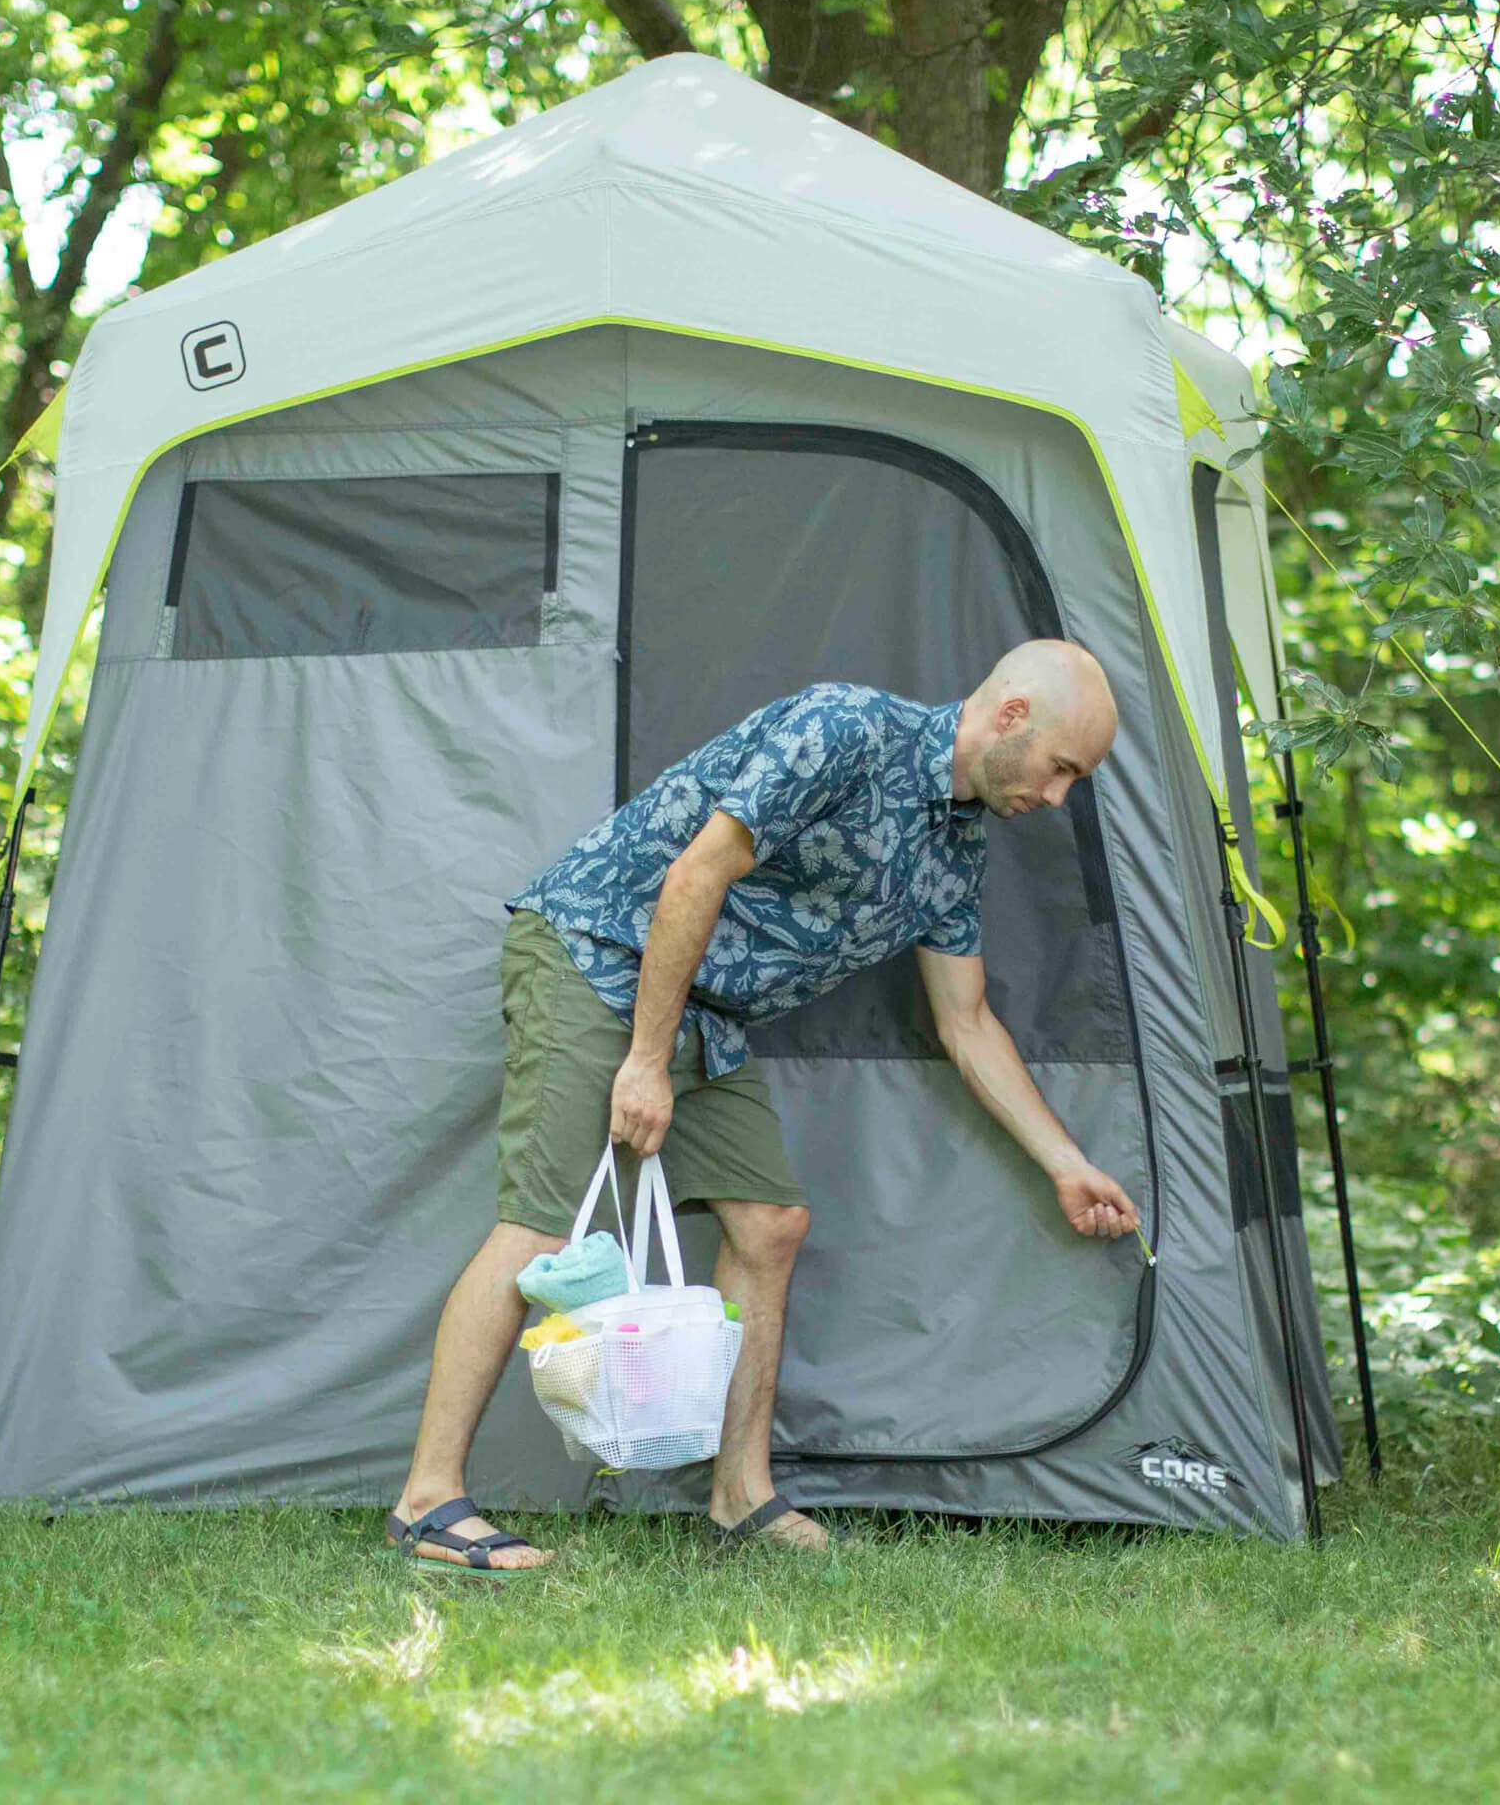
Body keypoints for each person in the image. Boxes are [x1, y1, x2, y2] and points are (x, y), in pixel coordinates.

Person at [385, 640, 1139, 1570]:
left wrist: (1068, 1166)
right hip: (596, 950)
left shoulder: (957, 851)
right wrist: (646, 1061)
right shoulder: (846, 728)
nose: (1058, 798)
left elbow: (968, 1022)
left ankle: (740, 1496)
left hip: (707, 1005)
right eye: (1063, 769)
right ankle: (428, 1501)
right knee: (542, 1228)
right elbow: (699, 871)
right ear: (1013, 715)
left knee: (771, 1224)